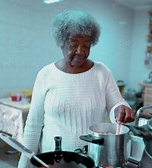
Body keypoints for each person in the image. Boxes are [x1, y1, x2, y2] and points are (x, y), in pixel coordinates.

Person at [18, 10, 135, 167]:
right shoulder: (45, 74)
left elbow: (116, 105)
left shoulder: (102, 72)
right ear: (61, 42)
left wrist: (121, 109)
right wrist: (24, 164)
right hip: (54, 161)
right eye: (73, 45)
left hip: (92, 159)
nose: (81, 51)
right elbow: (33, 125)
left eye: (86, 45)